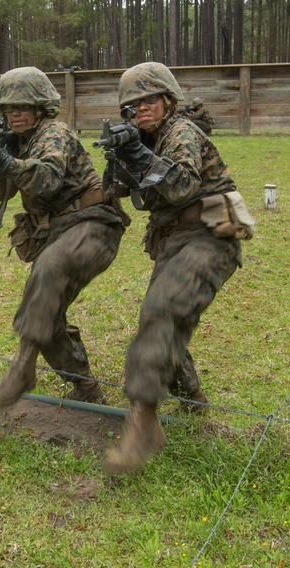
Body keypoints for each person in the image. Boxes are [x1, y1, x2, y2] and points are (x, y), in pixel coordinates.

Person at [102, 62, 252, 473]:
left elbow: (183, 185)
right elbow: (113, 191)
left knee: (162, 312)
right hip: (174, 238)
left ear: (168, 101)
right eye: (132, 105)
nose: (141, 108)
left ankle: (144, 421)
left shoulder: (181, 132)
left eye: (149, 99)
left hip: (211, 235)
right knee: (162, 314)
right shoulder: (143, 137)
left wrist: (136, 152)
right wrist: (119, 155)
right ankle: (193, 401)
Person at [0, 67, 129, 412]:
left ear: (41, 107)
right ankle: (85, 386)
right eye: (8, 109)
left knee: (47, 273)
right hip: (60, 230)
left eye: (22, 107)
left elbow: (46, 179)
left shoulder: (53, 132)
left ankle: (22, 370)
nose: (14, 114)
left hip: (94, 224)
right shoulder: (19, 141)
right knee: (44, 307)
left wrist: (5, 160)